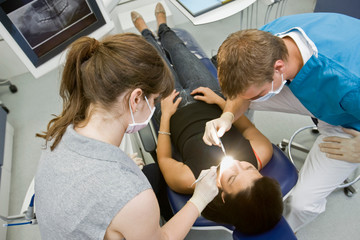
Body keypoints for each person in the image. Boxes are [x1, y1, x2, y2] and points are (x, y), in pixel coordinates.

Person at [34, 12, 219, 239]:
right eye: (154, 101)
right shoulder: (132, 195)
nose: (154, 106)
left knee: (153, 173)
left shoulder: (60, 131)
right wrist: (199, 199)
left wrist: (119, 167)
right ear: (135, 99)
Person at [131, 3, 283, 235]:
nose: (236, 165)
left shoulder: (189, 180)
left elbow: (163, 157)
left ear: (221, 194)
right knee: (180, 51)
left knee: (154, 61)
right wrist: (221, 103)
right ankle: (163, 26)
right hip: (207, 95)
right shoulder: (261, 153)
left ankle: (144, 32)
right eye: (247, 167)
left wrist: (166, 117)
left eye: (232, 176)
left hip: (172, 111)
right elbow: (247, 126)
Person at [203, 12, 360, 232]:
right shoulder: (265, 40)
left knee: (302, 204)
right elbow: (243, 94)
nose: (250, 100)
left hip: (351, 125)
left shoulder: (350, 83)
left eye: (257, 94)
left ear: (278, 68)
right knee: (243, 99)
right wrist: (228, 115)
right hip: (325, 95)